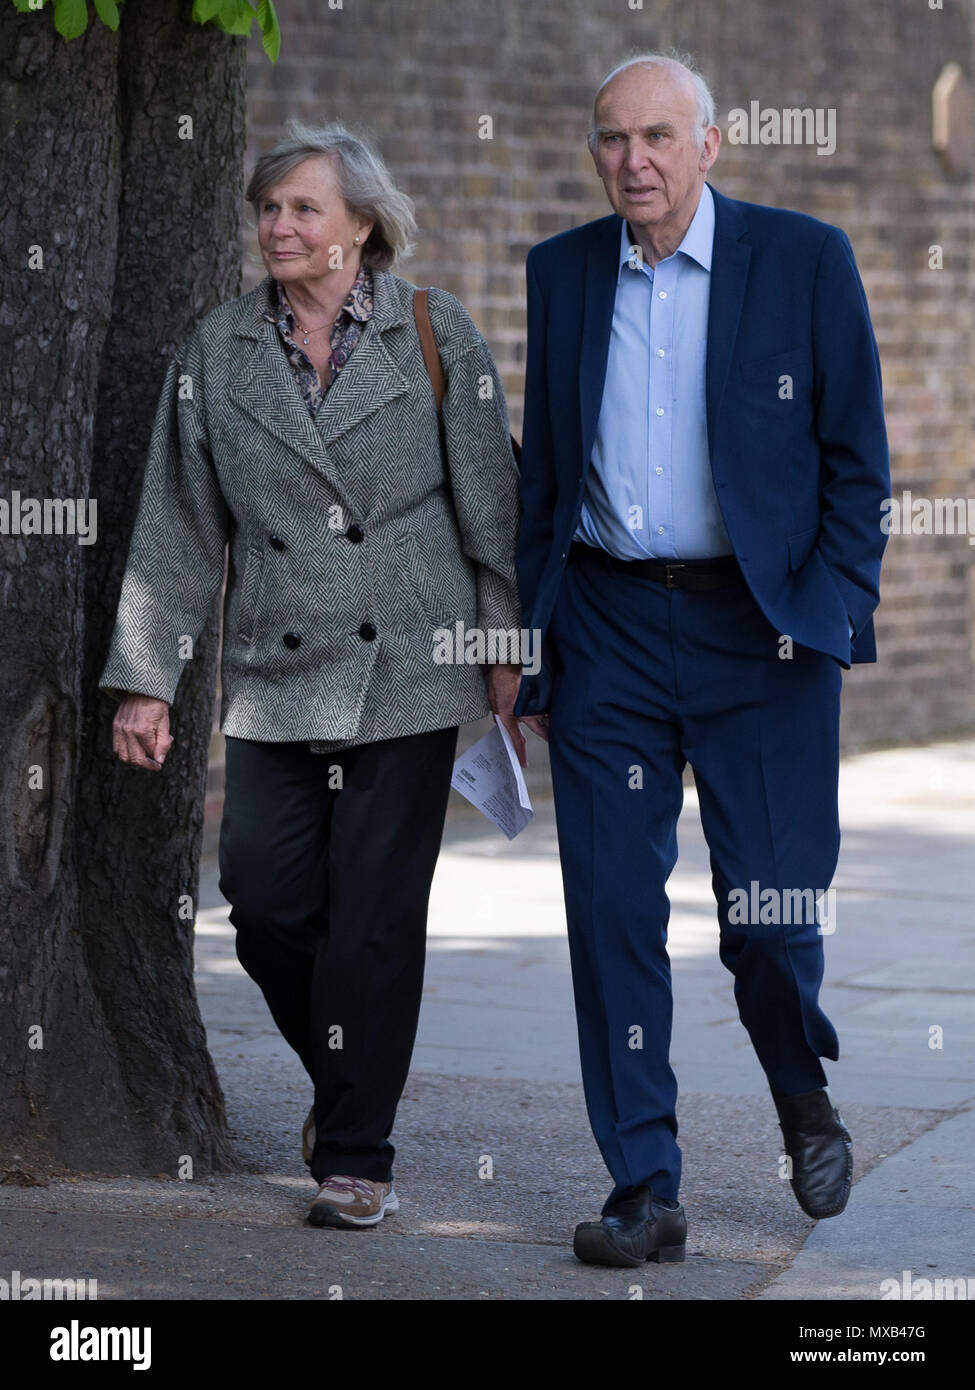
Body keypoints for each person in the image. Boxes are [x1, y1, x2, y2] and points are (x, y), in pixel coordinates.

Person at [100, 119, 523, 1230]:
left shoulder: (439, 333)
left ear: (362, 225)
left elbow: (494, 507)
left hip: (414, 670)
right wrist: (146, 676)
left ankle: (354, 1152)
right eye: (269, 209)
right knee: (264, 899)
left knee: (377, 921)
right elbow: (177, 527)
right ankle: (350, 1080)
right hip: (277, 671)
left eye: (303, 209)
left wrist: (503, 650)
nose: (280, 227)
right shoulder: (218, 350)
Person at [514, 53, 890, 1266]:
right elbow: (544, 471)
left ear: (711, 144)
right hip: (611, 626)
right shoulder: (563, 273)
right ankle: (646, 1182)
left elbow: (856, 461)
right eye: (613, 139)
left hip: (762, 633)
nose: (636, 161)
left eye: (659, 137)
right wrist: (531, 636)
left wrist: (829, 609)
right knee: (611, 908)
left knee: (768, 915)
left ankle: (801, 1094)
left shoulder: (804, 260)